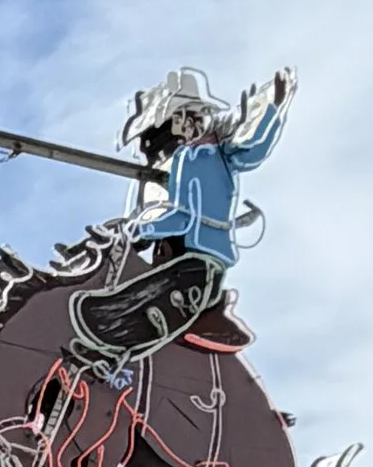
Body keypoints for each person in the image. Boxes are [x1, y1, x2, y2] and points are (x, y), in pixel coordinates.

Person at [69, 67, 295, 370]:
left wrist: (273, 109)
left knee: (153, 303)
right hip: (177, 258)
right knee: (141, 294)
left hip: (201, 262)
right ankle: (105, 347)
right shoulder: (175, 164)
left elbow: (184, 215)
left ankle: (107, 348)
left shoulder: (207, 157)